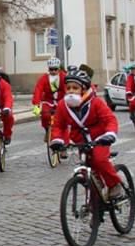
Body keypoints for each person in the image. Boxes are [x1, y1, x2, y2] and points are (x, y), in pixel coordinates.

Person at [50, 69, 123, 201]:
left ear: (83, 89)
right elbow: (58, 125)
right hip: (80, 140)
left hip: (100, 138)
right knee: (85, 168)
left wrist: (110, 134)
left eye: (75, 88)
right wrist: (57, 140)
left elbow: (110, 119)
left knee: (99, 160)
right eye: (68, 88)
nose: (71, 91)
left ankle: (114, 184)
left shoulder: (96, 102)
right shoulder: (62, 105)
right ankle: (95, 196)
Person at [32, 57, 65, 140]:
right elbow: (38, 90)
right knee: (45, 115)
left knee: (64, 117)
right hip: (48, 100)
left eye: (55, 69)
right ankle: (47, 130)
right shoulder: (44, 78)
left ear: (59, 69)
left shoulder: (64, 77)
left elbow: (67, 89)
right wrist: (36, 104)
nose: (53, 71)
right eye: (51, 69)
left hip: (61, 100)